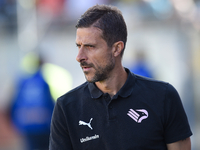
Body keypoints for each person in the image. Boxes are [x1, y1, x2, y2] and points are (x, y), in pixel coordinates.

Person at [49, 4, 192, 150]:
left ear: (116, 48)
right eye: (78, 46)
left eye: (90, 46)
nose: (79, 56)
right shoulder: (66, 108)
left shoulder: (163, 96)